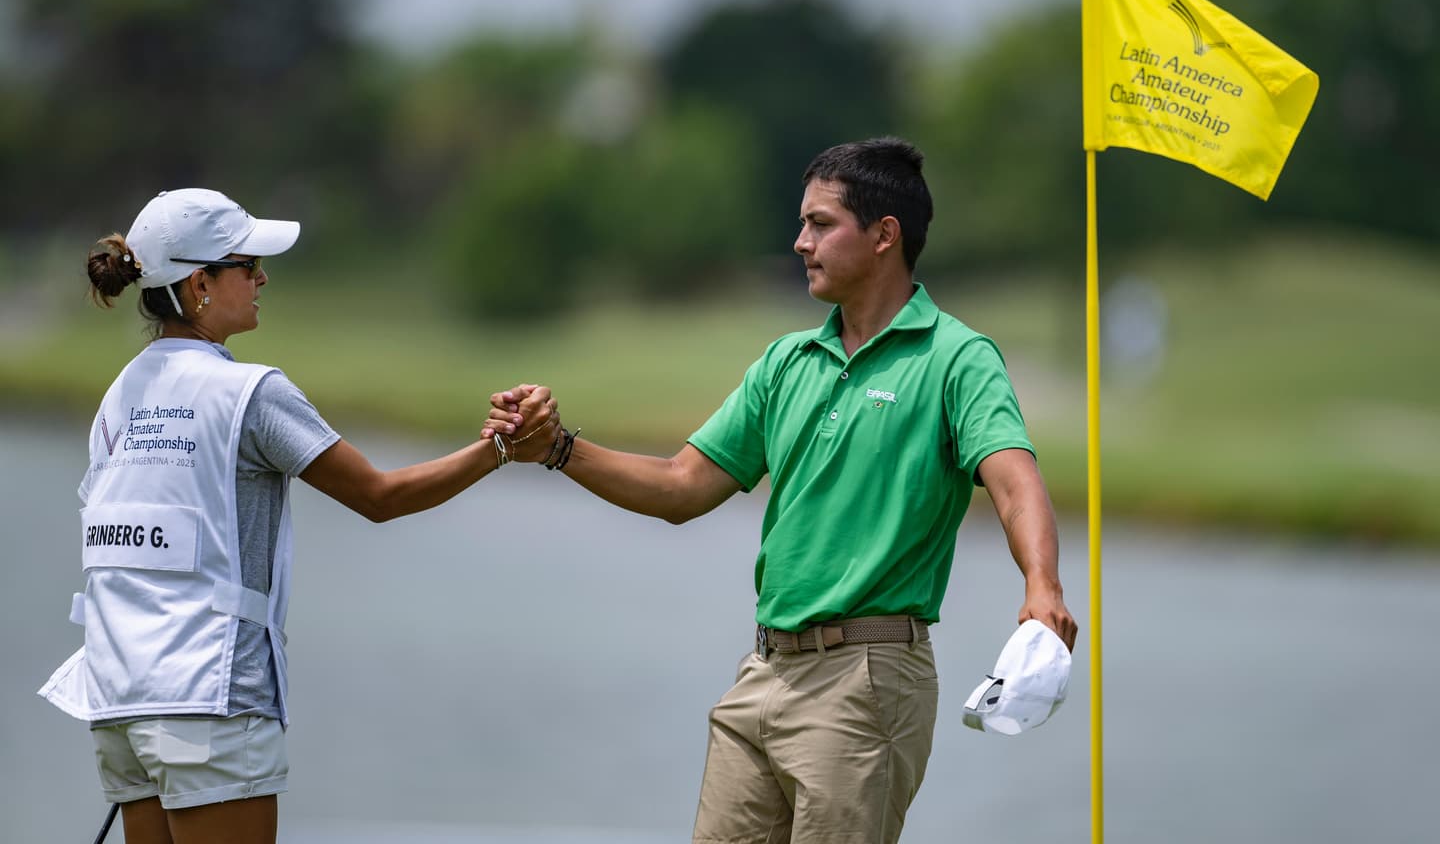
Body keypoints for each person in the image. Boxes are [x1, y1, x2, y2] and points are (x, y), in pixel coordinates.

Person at [486, 137, 1078, 844]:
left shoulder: (957, 358)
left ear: (885, 235)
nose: (801, 243)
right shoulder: (786, 362)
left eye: (821, 224)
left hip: (866, 679)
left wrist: (1042, 585)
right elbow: (681, 485)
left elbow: (1014, 481)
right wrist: (558, 449)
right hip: (764, 672)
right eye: (803, 224)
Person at [40, 188, 555, 844]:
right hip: (207, 702)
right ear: (200, 285)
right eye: (247, 265)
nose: (262, 278)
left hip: (119, 708)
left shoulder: (116, 399)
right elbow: (380, 496)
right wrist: (503, 449)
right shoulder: (251, 393)